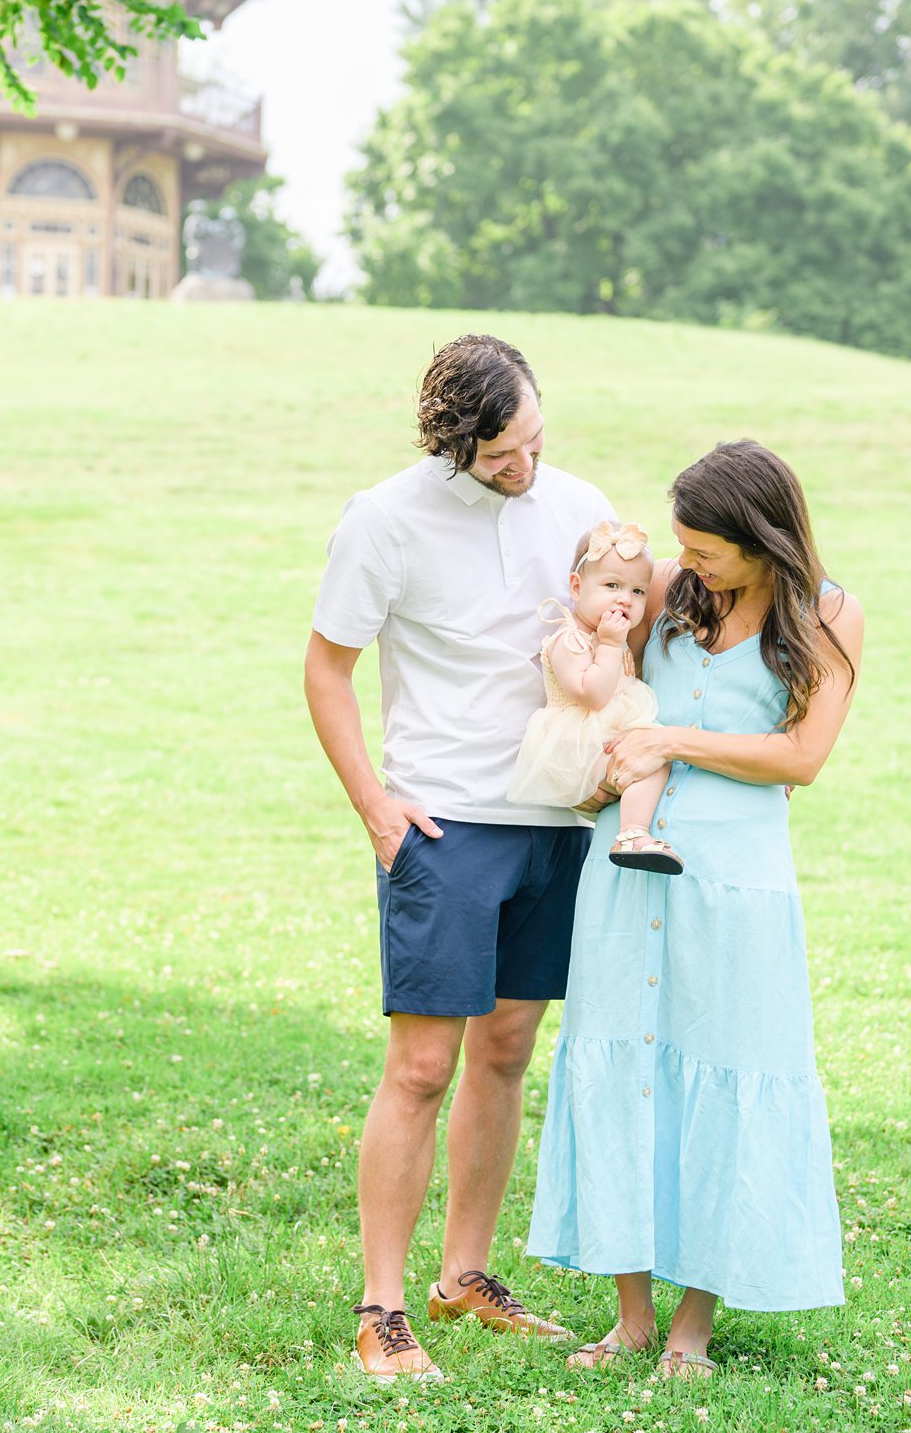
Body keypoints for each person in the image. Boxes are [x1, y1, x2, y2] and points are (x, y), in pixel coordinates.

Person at [304, 334, 614, 1382]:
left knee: (508, 1049)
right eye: (500, 457)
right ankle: (382, 1307)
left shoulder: (581, 505)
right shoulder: (385, 519)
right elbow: (326, 669)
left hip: (557, 820)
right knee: (424, 1063)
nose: (522, 467)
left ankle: (465, 1276)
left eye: (532, 441)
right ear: (452, 446)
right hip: (444, 824)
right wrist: (376, 809)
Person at [525, 439, 864, 1378]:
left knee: (722, 1072)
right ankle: (632, 1317)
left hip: (737, 877)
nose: (692, 562)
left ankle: (691, 1328)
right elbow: (598, 663)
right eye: (683, 544)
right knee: (625, 1066)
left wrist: (673, 735)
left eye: (708, 548)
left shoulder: (829, 614)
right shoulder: (671, 586)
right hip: (627, 865)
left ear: (762, 538)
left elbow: (800, 757)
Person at [504, 520, 682, 873]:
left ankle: (634, 830)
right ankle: (632, 834)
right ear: (577, 586)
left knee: (654, 760)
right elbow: (593, 696)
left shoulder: (609, 640)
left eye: (638, 592)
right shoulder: (568, 640)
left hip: (604, 735)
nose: (624, 599)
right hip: (579, 742)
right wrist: (613, 644)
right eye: (612, 585)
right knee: (649, 763)